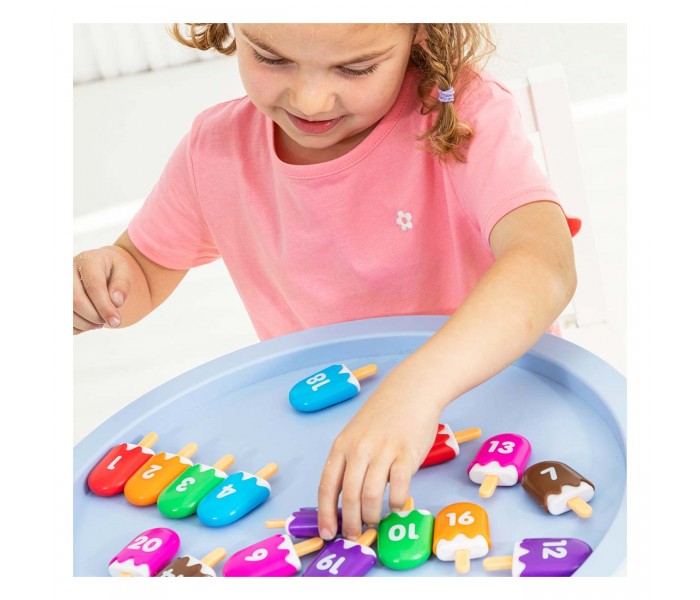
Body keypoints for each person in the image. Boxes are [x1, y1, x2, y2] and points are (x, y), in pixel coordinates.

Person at [73, 23, 578, 543]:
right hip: (336, 447)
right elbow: (141, 270)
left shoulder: (462, 113)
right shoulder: (215, 151)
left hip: (507, 427)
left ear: (422, 33)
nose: (310, 101)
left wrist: (415, 391)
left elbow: (546, 264)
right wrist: (101, 283)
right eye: (271, 58)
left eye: (355, 69)